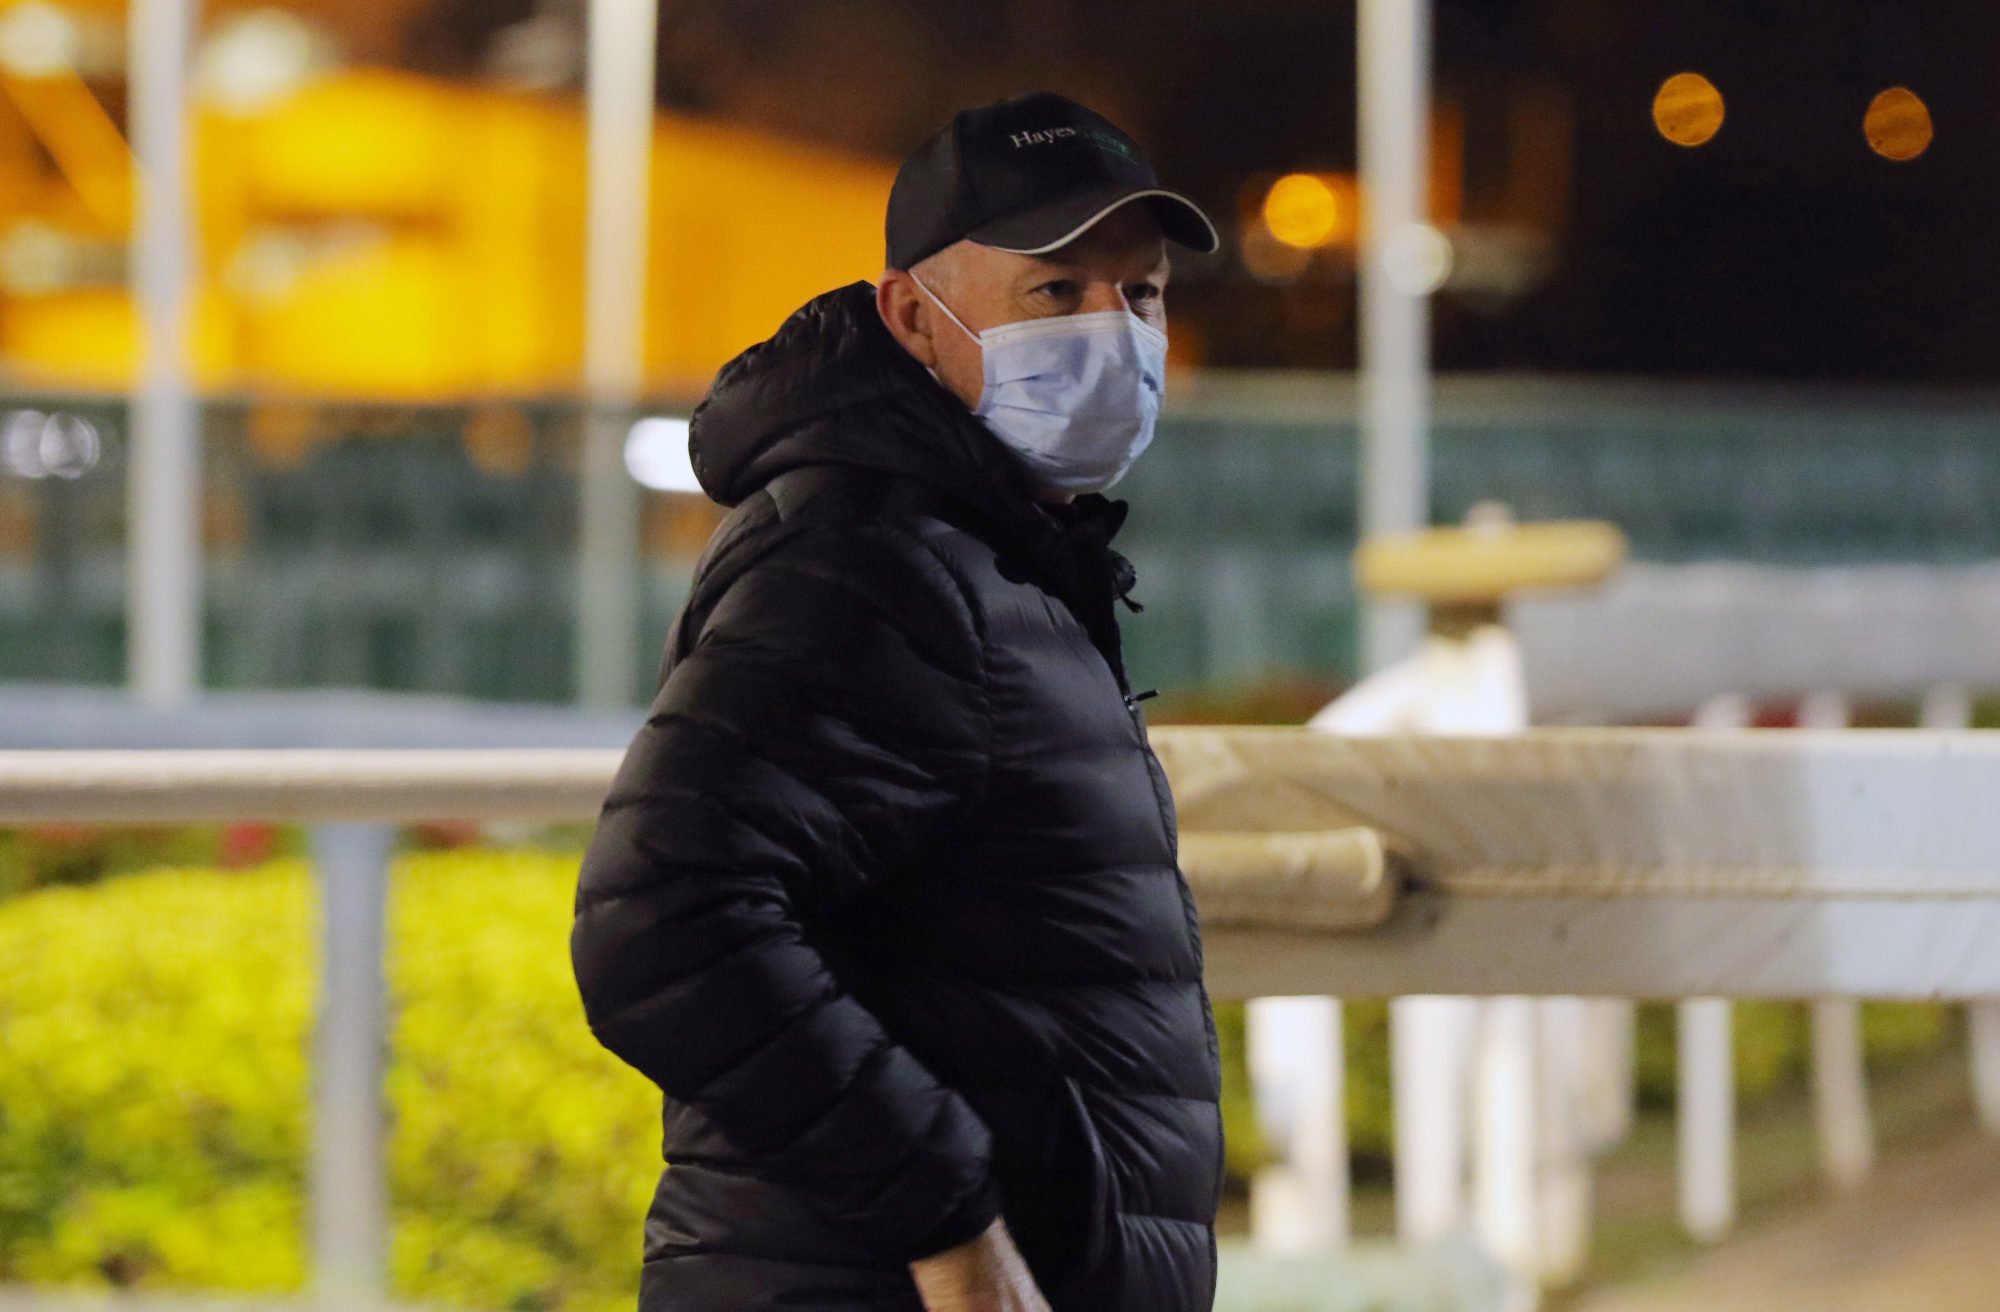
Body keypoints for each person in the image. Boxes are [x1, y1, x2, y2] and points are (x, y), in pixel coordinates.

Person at [571, 91, 1223, 1312]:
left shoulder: (992, 551)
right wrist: (953, 1228)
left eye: (1140, 295)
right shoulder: (868, 561)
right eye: (1055, 291)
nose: (1114, 333)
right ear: (912, 319)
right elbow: (659, 917)